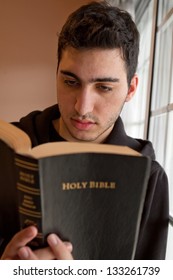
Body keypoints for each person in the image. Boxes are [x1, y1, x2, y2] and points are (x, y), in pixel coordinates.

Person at [1, 1, 169, 260]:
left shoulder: (149, 177)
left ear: (131, 89)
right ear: (56, 73)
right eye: (70, 82)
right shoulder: (8, 150)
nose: (82, 107)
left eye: (103, 87)